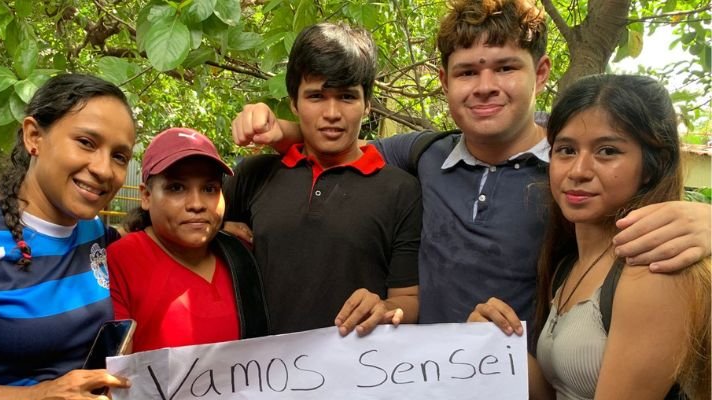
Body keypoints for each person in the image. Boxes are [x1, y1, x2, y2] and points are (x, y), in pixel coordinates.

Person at [230, 0, 711, 333]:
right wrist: (283, 130)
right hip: (426, 379)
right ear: (443, 81)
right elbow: (341, 140)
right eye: (466, 72)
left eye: (504, 67)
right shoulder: (422, 155)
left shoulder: (574, 174)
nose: (484, 86)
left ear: (539, 72)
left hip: (533, 379)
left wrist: (705, 220)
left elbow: (653, 209)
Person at [469, 74, 710, 400]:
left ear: (654, 165)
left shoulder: (653, 269)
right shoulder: (568, 265)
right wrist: (500, 345)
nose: (578, 170)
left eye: (607, 151)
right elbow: (560, 392)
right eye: (566, 150)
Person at [0, 73, 136, 399]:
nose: (104, 169)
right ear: (34, 136)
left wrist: (225, 232)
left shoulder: (94, 232)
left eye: (119, 156)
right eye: (86, 142)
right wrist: (34, 396)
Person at [224, 22, 421, 336]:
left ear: (367, 104)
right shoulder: (254, 175)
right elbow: (185, 234)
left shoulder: (401, 191)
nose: (332, 112)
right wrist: (216, 236)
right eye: (316, 96)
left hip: (358, 373)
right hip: (260, 377)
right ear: (294, 103)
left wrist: (384, 308)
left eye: (346, 96)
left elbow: (408, 299)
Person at [108, 127, 268, 353]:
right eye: (176, 188)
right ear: (146, 195)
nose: (197, 203)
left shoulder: (240, 253)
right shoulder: (120, 261)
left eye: (209, 189)